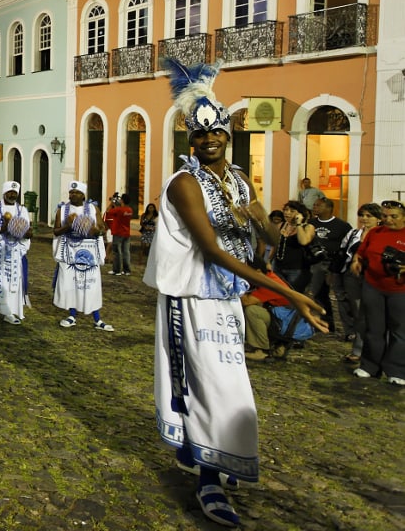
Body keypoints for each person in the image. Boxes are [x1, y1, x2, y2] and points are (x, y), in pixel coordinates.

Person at [145, 58, 327, 528]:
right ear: (191, 138)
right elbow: (214, 252)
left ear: (229, 135)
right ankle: (208, 475)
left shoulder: (239, 179)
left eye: (217, 132)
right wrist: (289, 295)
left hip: (226, 296)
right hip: (193, 295)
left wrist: (266, 218)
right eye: (201, 133)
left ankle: (212, 458)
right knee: (207, 382)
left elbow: (265, 237)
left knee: (229, 381)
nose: (210, 139)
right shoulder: (184, 183)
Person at [351, 199, 405, 385]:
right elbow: (361, 252)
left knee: (399, 331)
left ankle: (397, 370)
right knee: (373, 328)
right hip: (373, 286)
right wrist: (356, 262)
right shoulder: (375, 232)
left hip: (400, 290)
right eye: (385, 216)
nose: (388, 220)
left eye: (394, 216)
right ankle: (369, 366)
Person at [52, 181, 114, 331]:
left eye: (76, 192)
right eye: (71, 192)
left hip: (89, 250)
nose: (73, 195)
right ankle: (71, 315)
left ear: (83, 195)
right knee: (71, 283)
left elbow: (101, 229)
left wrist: (91, 227)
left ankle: (97, 319)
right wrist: (68, 225)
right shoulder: (63, 209)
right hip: (70, 251)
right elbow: (56, 231)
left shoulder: (93, 208)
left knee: (90, 284)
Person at [338, 202, 382, 364]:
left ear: (378, 219)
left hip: (374, 278)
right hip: (352, 277)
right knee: (358, 313)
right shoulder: (354, 234)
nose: (364, 219)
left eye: (369, 216)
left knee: (374, 315)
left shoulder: (381, 235)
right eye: (362, 215)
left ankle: (375, 350)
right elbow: (343, 253)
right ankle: (358, 348)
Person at [0, 181, 31, 324]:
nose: (12, 194)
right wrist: (7, 227)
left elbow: (28, 230)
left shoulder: (22, 210)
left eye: (15, 192)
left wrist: (19, 229)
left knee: (14, 281)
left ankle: (10, 312)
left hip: (15, 249)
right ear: (4, 193)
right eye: (9, 192)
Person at [307, 197, 350, 334]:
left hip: (333, 264)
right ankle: (324, 321)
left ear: (329, 208)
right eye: (314, 205)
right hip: (315, 263)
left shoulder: (342, 226)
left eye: (318, 205)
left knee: (339, 295)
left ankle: (344, 326)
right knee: (318, 293)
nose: (315, 208)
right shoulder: (311, 223)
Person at [271, 201, 314, 290]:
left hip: (297, 269)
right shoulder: (281, 225)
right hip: (278, 266)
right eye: (286, 210)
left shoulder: (308, 227)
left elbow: (304, 241)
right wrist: (269, 260)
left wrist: (298, 224)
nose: (287, 213)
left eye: (292, 211)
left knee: (293, 295)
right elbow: (275, 245)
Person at [104, 193, 133, 276]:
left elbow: (108, 211)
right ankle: (127, 270)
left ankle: (117, 270)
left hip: (118, 232)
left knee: (117, 252)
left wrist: (112, 203)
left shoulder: (119, 210)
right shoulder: (130, 210)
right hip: (126, 233)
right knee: (126, 252)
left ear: (122, 200)